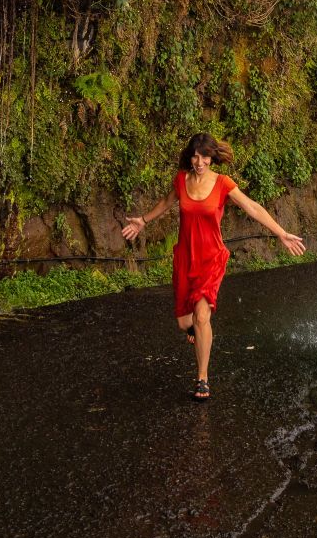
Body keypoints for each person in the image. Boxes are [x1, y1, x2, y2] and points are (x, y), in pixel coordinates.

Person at [121, 132, 305, 401]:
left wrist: (280, 232)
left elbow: (252, 207)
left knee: (202, 316)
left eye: (205, 156)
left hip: (211, 259)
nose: (199, 162)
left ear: (212, 158)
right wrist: (143, 221)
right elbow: (165, 202)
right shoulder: (181, 181)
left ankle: (202, 378)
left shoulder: (222, 183)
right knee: (185, 323)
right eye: (195, 156)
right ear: (190, 156)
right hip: (185, 258)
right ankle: (196, 330)